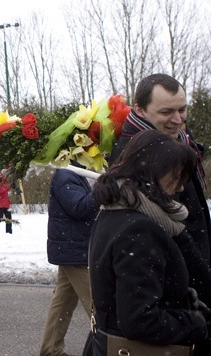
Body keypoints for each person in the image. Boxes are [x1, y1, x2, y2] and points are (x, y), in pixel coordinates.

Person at [109, 74, 211, 354]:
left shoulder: (176, 141)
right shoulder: (133, 155)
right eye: (166, 112)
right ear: (139, 110)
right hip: (179, 287)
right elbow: (159, 231)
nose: (178, 119)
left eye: (182, 109)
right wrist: (197, 310)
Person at [84, 130, 207, 354]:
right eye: (177, 176)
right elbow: (140, 319)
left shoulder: (113, 210)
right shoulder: (138, 229)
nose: (180, 187)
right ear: (155, 171)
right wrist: (195, 323)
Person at [39, 166, 98, 356]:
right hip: (73, 249)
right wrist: (103, 188)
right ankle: (109, 347)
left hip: (73, 247)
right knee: (98, 305)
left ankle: (51, 349)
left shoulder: (74, 175)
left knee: (63, 303)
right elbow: (80, 207)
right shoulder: (66, 175)